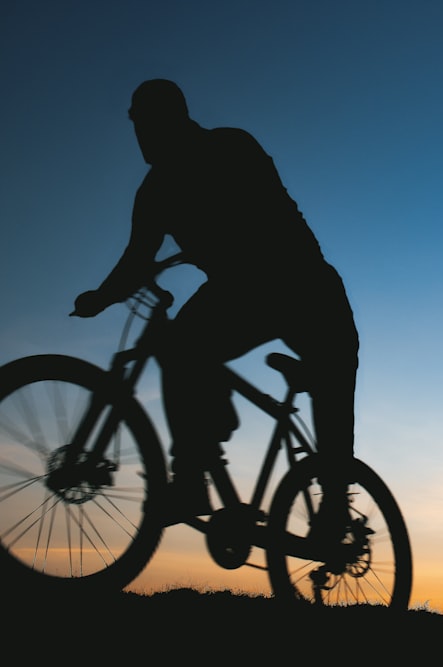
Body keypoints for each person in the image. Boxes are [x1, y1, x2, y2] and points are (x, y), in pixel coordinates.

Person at [72, 79, 358, 527]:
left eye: (147, 124)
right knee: (180, 348)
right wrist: (102, 296)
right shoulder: (154, 191)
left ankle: (335, 506)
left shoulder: (228, 146)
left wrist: (106, 295)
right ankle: (192, 473)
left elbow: (264, 208)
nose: (140, 135)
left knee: (330, 376)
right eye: (136, 126)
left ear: (174, 119)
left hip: (300, 282)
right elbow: (136, 257)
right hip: (244, 289)